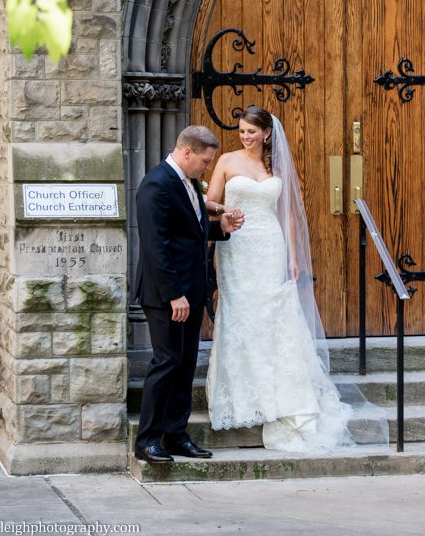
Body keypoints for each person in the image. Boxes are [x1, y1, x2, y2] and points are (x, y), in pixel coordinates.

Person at [204, 105, 388, 452]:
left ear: (267, 133)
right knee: (242, 312)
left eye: (251, 132)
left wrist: (291, 256)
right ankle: (242, 395)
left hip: (270, 244)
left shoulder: (276, 165)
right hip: (237, 244)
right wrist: (225, 211)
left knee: (274, 312)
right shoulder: (227, 161)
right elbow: (210, 201)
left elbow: (286, 213)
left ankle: (281, 389)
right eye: (242, 131)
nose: (245, 137)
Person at [132, 125, 244, 464]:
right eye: (205, 161)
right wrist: (174, 295)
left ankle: (176, 434)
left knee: (184, 365)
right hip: (168, 295)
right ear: (186, 153)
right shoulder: (156, 185)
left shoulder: (190, 183)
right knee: (166, 362)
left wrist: (219, 228)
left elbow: (189, 233)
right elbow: (156, 246)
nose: (207, 168)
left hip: (191, 293)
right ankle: (148, 440)